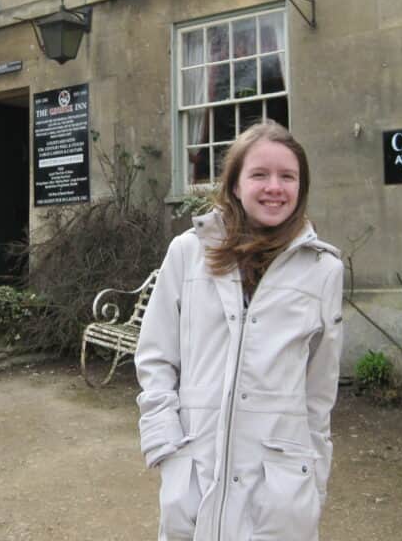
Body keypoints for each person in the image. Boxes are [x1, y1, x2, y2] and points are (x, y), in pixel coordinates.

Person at [136, 121, 344, 541]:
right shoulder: (188, 253)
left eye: (288, 177)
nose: (274, 187)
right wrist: (165, 447)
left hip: (279, 486)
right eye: (259, 175)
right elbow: (156, 355)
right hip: (194, 471)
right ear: (234, 184)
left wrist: (313, 480)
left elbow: (319, 392)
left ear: (301, 188)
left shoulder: (324, 270)